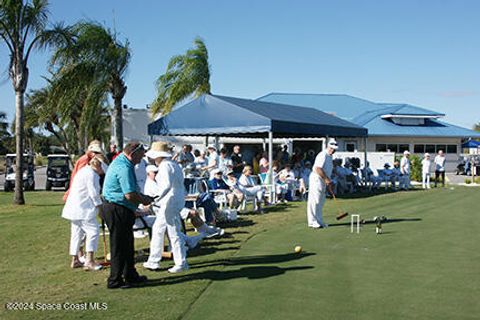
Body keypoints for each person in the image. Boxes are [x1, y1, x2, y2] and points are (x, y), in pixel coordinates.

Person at [101, 141, 153, 289]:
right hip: (116, 207)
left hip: (119, 207)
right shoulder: (124, 167)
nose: (141, 158)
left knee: (127, 244)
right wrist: (145, 200)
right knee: (119, 246)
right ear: (133, 153)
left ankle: (130, 275)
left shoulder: (123, 163)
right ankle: (115, 280)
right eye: (140, 155)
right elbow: (129, 194)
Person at [143, 141, 189, 273]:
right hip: (174, 200)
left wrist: (154, 199)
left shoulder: (165, 166)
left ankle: (181, 263)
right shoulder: (173, 164)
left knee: (174, 232)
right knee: (158, 229)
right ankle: (153, 261)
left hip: (170, 202)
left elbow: (166, 186)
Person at [62, 157, 104, 271]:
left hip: (74, 208)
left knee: (76, 233)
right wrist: (100, 209)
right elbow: (94, 194)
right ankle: (89, 261)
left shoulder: (84, 170)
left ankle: (75, 259)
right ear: (100, 166)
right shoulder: (92, 174)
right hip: (83, 209)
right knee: (93, 231)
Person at [307, 138, 337, 229]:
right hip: (316, 179)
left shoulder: (330, 156)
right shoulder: (322, 155)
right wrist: (327, 179)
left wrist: (328, 180)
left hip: (323, 179)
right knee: (314, 200)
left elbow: (327, 170)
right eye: (332, 148)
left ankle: (319, 221)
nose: (333, 150)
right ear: (328, 146)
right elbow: (317, 168)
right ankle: (312, 221)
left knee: (321, 201)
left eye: (334, 149)